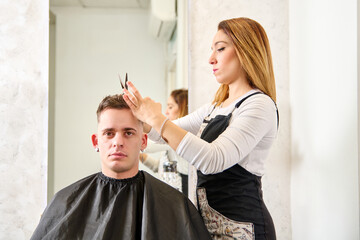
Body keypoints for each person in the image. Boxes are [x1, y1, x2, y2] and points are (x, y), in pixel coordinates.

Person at [123, 17, 278, 240]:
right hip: (211, 231)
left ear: (246, 50)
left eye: (220, 49)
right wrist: (139, 116)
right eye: (211, 50)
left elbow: (213, 159)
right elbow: (165, 133)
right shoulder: (215, 107)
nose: (211, 59)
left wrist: (156, 117)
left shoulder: (259, 105)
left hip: (246, 230)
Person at [30, 94, 211, 240]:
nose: (118, 142)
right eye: (109, 133)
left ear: (143, 141)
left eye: (128, 133)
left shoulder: (175, 206)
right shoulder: (65, 202)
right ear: (96, 141)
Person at [140, 89, 189, 195]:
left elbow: (147, 146)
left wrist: (144, 117)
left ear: (183, 109)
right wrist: (141, 158)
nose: (166, 111)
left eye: (170, 107)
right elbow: (161, 167)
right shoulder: (169, 140)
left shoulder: (178, 134)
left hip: (182, 195)